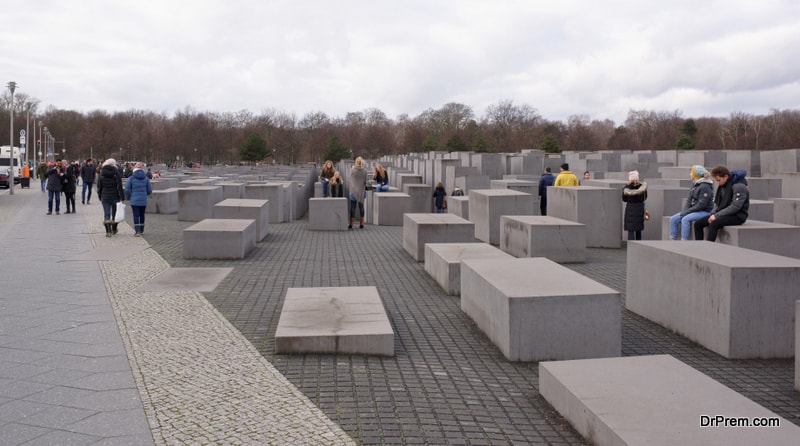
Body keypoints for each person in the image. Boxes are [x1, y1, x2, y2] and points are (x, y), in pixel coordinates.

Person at [694, 166, 749, 242]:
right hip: (723, 213)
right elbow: (717, 203)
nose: (718, 183)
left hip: (737, 216)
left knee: (714, 224)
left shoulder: (739, 186)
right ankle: (699, 245)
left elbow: (736, 206)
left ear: (726, 176)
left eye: (719, 180)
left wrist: (716, 215)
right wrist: (713, 213)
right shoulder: (723, 186)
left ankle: (708, 246)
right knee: (698, 224)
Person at [668, 165, 714, 240]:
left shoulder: (705, 186)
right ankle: (672, 239)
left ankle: (685, 241)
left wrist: (687, 212)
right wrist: (685, 211)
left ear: (696, 174)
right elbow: (689, 200)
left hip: (705, 211)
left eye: (691, 172)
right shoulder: (695, 184)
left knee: (685, 219)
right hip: (694, 210)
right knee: (673, 219)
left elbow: (701, 205)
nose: (690, 174)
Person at [97, 158, 125, 237]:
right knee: (115, 213)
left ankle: (108, 231)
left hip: (105, 195)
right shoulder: (116, 173)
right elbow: (119, 186)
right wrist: (122, 197)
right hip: (115, 195)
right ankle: (114, 229)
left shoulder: (102, 173)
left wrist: (99, 195)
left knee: (106, 214)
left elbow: (99, 186)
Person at [125, 162, 153, 236]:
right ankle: (142, 229)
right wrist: (145, 194)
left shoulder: (131, 178)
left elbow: (127, 190)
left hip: (134, 199)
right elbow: (150, 190)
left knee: (136, 215)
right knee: (142, 214)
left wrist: (129, 197)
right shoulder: (146, 178)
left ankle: (137, 231)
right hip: (143, 200)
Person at [622, 170, 647, 241]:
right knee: (638, 229)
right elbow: (645, 197)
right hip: (639, 209)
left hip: (630, 208)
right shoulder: (643, 187)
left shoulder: (626, 188)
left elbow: (624, 199)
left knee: (631, 230)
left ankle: (631, 246)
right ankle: (638, 245)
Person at [348, 156, 368, 229]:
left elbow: (349, 178)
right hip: (361, 190)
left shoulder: (352, 170)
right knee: (361, 207)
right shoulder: (365, 171)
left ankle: (351, 223)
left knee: (353, 207)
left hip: (353, 190)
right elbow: (366, 181)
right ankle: (361, 223)